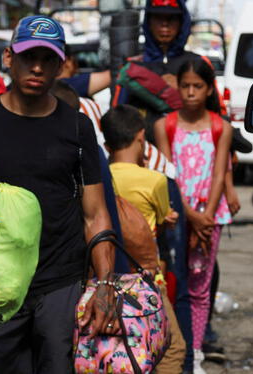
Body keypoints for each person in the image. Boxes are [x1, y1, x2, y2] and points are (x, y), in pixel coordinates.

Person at [0, 15, 116, 373]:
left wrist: (105, 284)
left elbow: (95, 214)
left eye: (48, 59)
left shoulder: (76, 127)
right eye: (28, 56)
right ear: (7, 58)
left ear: (60, 66)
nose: (37, 67)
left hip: (60, 284)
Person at [155, 59, 233, 374]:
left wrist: (206, 216)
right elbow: (168, 173)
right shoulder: (165, 125)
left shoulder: (220, 127)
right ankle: (173, 348)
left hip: (208, 217)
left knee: (201, 288)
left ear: (208, 88)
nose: (190, 93)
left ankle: (195, 352)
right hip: (175, 217)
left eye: (197, 86)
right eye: (184, 85)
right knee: (174, 281)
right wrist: (190, 216)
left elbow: (218, 175)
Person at [101, 104, 186, 373]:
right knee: (171, 347)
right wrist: (168, 217)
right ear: (141, 138)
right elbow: (162, 220)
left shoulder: (100, 178)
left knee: (119, 346)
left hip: (106, 273)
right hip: (146, 277)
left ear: (106, 143)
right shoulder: (155, 180)